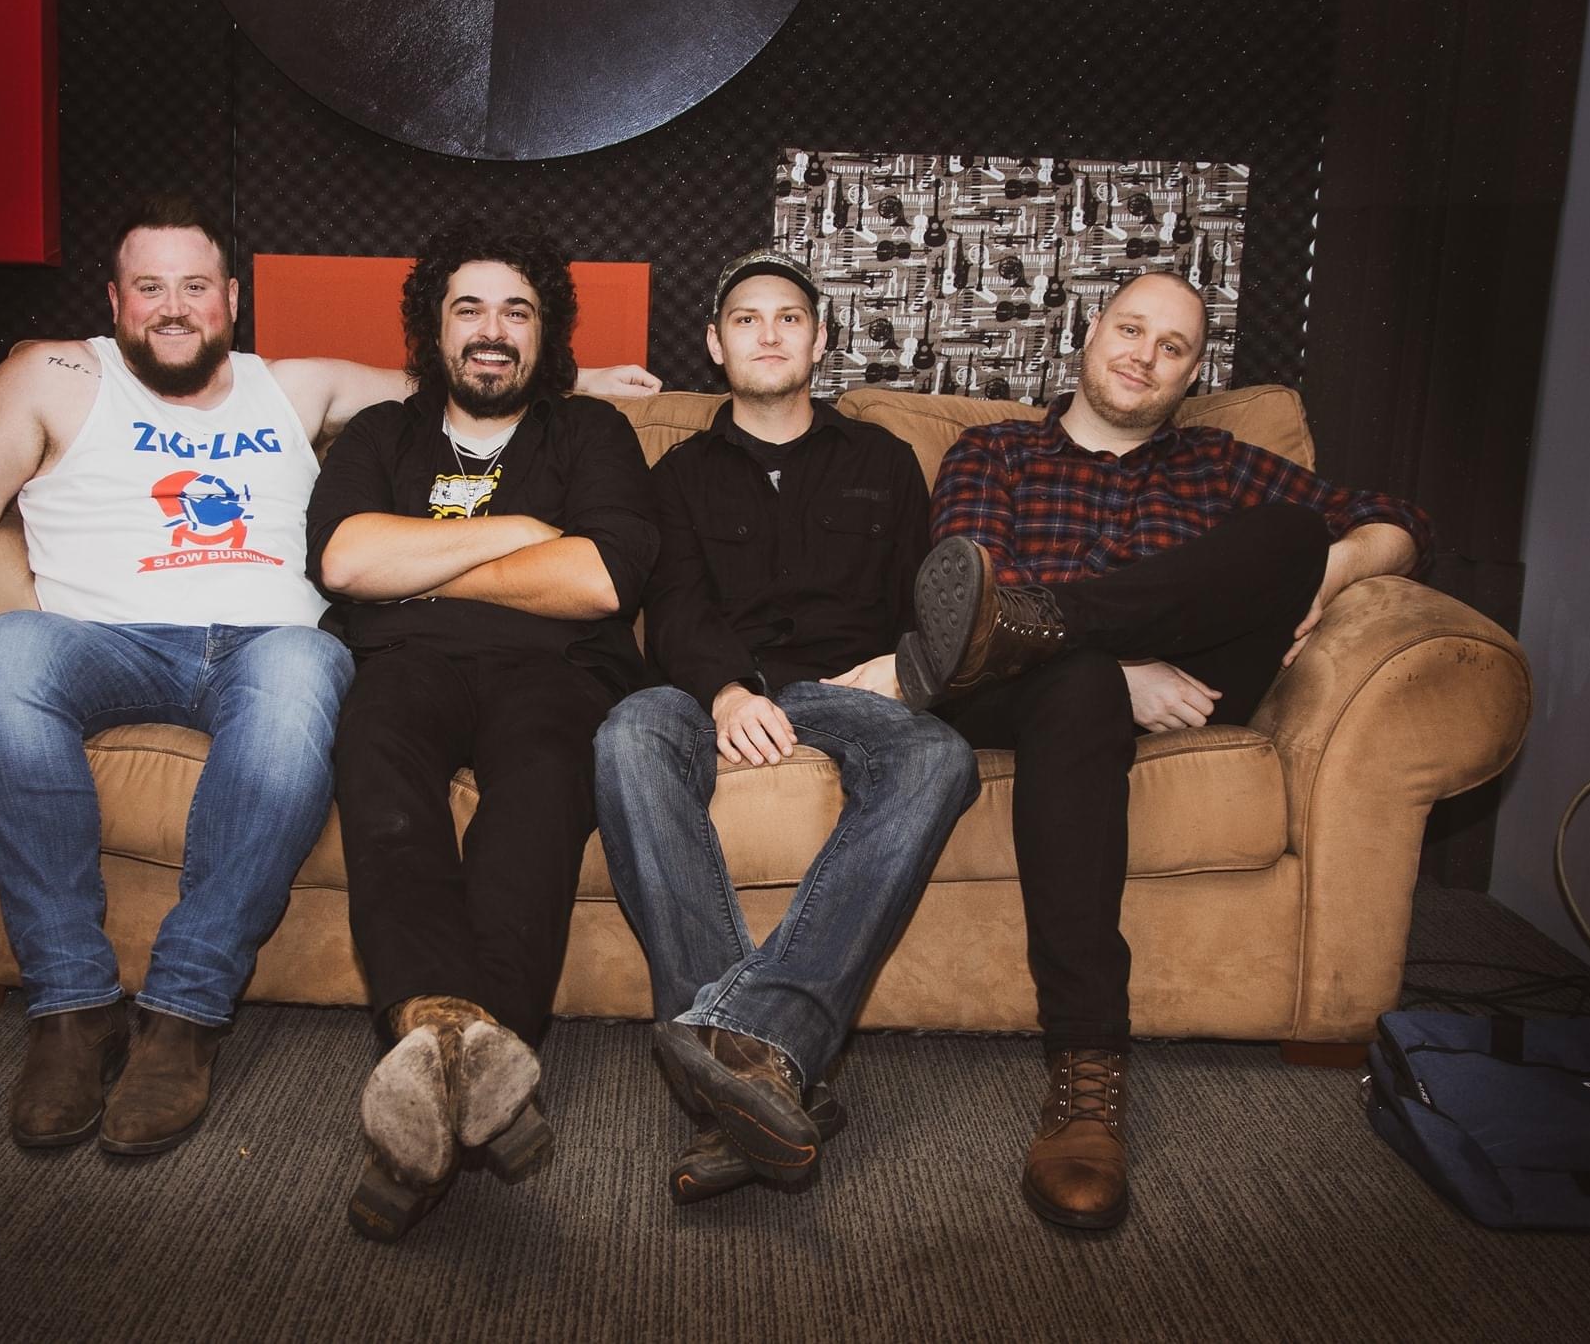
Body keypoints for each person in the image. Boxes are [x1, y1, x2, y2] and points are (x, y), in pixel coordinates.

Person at [0, 194, 658, 1161]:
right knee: (1, 654)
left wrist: (581, 392)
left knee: (334, 687)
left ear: (232, 300)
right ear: (115, 298)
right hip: (119, 638)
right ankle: (73, 1004)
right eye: (151, 286)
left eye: (195, 286)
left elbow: (485, 401)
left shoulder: (296, 387)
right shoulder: (58, 374)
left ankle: (212, 1015)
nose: (174, 306)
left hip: (285, 645)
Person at [897, 270, 1433, 1229]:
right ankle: (1087, 1067)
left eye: (1171, 346)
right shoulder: (995, 450)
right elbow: (972, 605)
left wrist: (1334, 568)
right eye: (1130, 329)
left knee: (1291, 531)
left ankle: (1060, 621)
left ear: (1193, 374)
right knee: (1071, 678)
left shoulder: (1219, 461)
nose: (1144, 356)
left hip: (1185, 674)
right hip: (1023, 690)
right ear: (1091, 333)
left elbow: (1402, 520)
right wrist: (1116, 669)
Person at [592, 251, 979, 1202]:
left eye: (790, 317)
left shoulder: (883, 461)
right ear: (715, 344)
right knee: (627, 733)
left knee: (940, 755)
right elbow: (674, 608)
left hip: (844, 690)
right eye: (747, 319)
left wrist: (899, 675)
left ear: (820, 338)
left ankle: (741, 1044)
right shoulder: (676, 473)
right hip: (705, 692)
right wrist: (726, 692)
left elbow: (923, 607)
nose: (769, 333)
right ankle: (764, 1066)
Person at [306, 217, 659, 1240]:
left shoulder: (591, 434)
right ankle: (471, 1059)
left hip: (553, 672)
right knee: (376, 761)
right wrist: (519, 535)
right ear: (435, 329)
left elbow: (599, 579)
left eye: (517, 310)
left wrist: (420, 570)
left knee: (543, 786)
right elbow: (346, 561)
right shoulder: (381, 433)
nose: (492, 331)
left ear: (545, 333)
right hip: (404, 668)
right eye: (469, 309)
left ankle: (437, 1062)